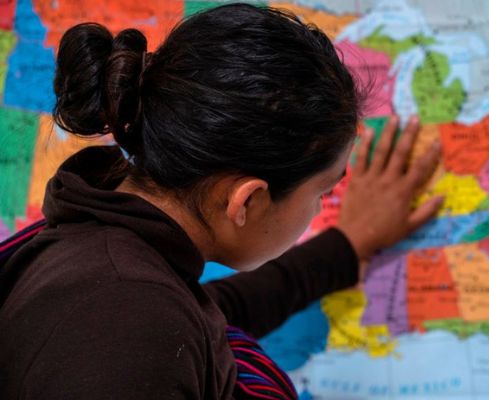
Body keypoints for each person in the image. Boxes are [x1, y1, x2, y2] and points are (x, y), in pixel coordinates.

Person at [0, 3, 442, 399]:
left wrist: (348, 245)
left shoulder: (110, 259)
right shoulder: (127, 325)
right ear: (246, 201)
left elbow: (211, 312)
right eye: (323, 192)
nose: (320, 207)